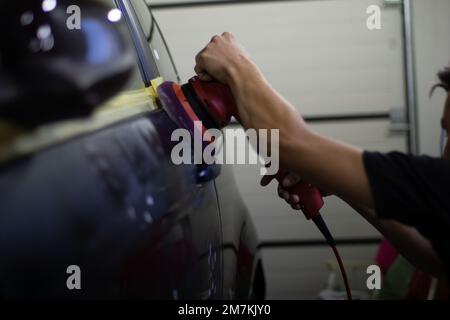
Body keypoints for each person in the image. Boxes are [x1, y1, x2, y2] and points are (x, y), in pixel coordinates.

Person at [193, 32, 450, 279]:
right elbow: (431, 256)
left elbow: (288, 141)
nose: (444, 149)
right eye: (445, 132)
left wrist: (235, 65)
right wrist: (335, 180)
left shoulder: (440, 180)